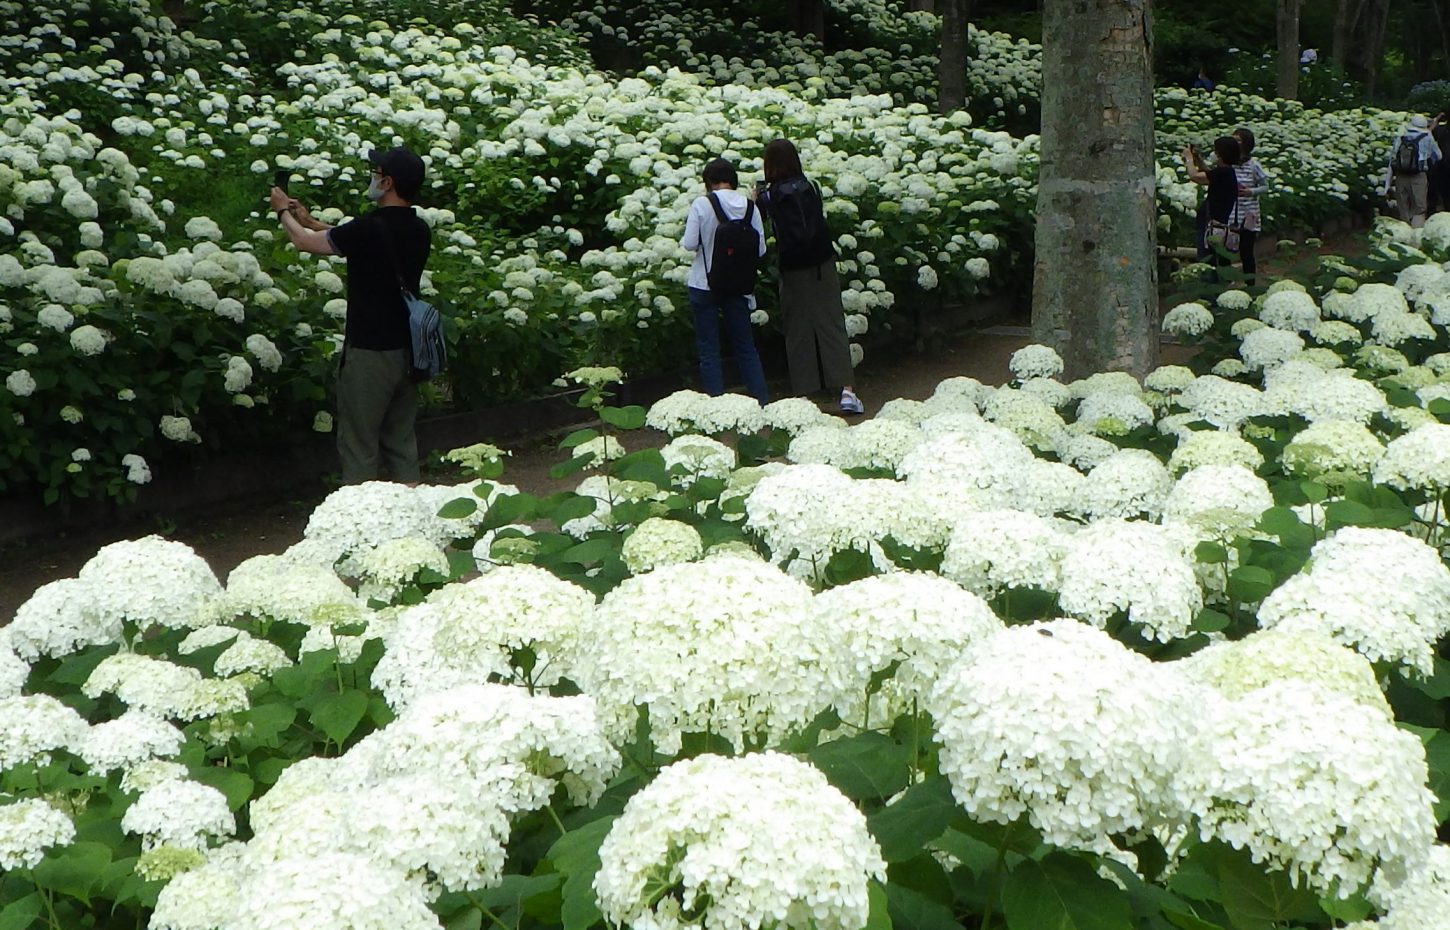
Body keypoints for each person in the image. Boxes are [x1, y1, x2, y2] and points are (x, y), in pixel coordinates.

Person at [268, 145, 432, 483]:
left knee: (359, 445)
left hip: (370, 353)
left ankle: (359, 519)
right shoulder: (418, 229)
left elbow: (305, 244)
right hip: (409, 351)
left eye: (376, 174)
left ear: (387, 183)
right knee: (401, 442)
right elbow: (352, 237)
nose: (371, 178)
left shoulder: (369, 229)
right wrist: (310, 220)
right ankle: (415, 515)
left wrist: (282, 213)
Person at [754, 138, 863, 414]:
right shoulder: (811, 186)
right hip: (821, 264)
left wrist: (755, 199)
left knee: (797, 329)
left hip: (791, 267)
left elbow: (760, 220)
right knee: (831, 324)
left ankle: (804, 393)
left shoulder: (770, 195)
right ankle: (846, 391)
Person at [680, 157, 770, 406]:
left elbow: (689, 244)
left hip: (704, 284)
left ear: (708, 182)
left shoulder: (702, 203)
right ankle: (761, 402)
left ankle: (716, 406)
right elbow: (760, 249)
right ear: (733, 180)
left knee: (709, 349)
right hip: (738, 285)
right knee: (745, 347)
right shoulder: (749, 206)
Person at [1183, 136, 1242, 272]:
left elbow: (1195, 176)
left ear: (1221, 154)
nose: (1214, 154)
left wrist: (1189, 159)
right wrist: (1198, 160)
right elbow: (1209, 174)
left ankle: (1209, 290)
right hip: (1217, 223)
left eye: (1216, 151)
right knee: (1216, 259)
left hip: (1210, 224)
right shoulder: (1227, 172)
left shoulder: (1223, 173)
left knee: (1207, 259)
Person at [1385, 114, 1444, 228]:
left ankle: (1404, 234)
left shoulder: (1401, 137)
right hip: (1418, 176)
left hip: (1400, 176)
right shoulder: (1427, 138)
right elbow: (1439, 156)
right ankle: (1416, 234)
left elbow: (1392, 160)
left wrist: (1387, 185)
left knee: (1403, 208)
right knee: (1419, 208)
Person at [1231, 127, 1271, 285]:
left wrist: (1251, 192)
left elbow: (1265, 186)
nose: (1235, 142)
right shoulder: (1228, 162)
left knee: (1246, 252)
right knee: (1225, 249)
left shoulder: (1254, 165)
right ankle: (1227, 282)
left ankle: (1250, 285)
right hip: (1231, 214)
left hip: (1249, 216)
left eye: (1238, 140)